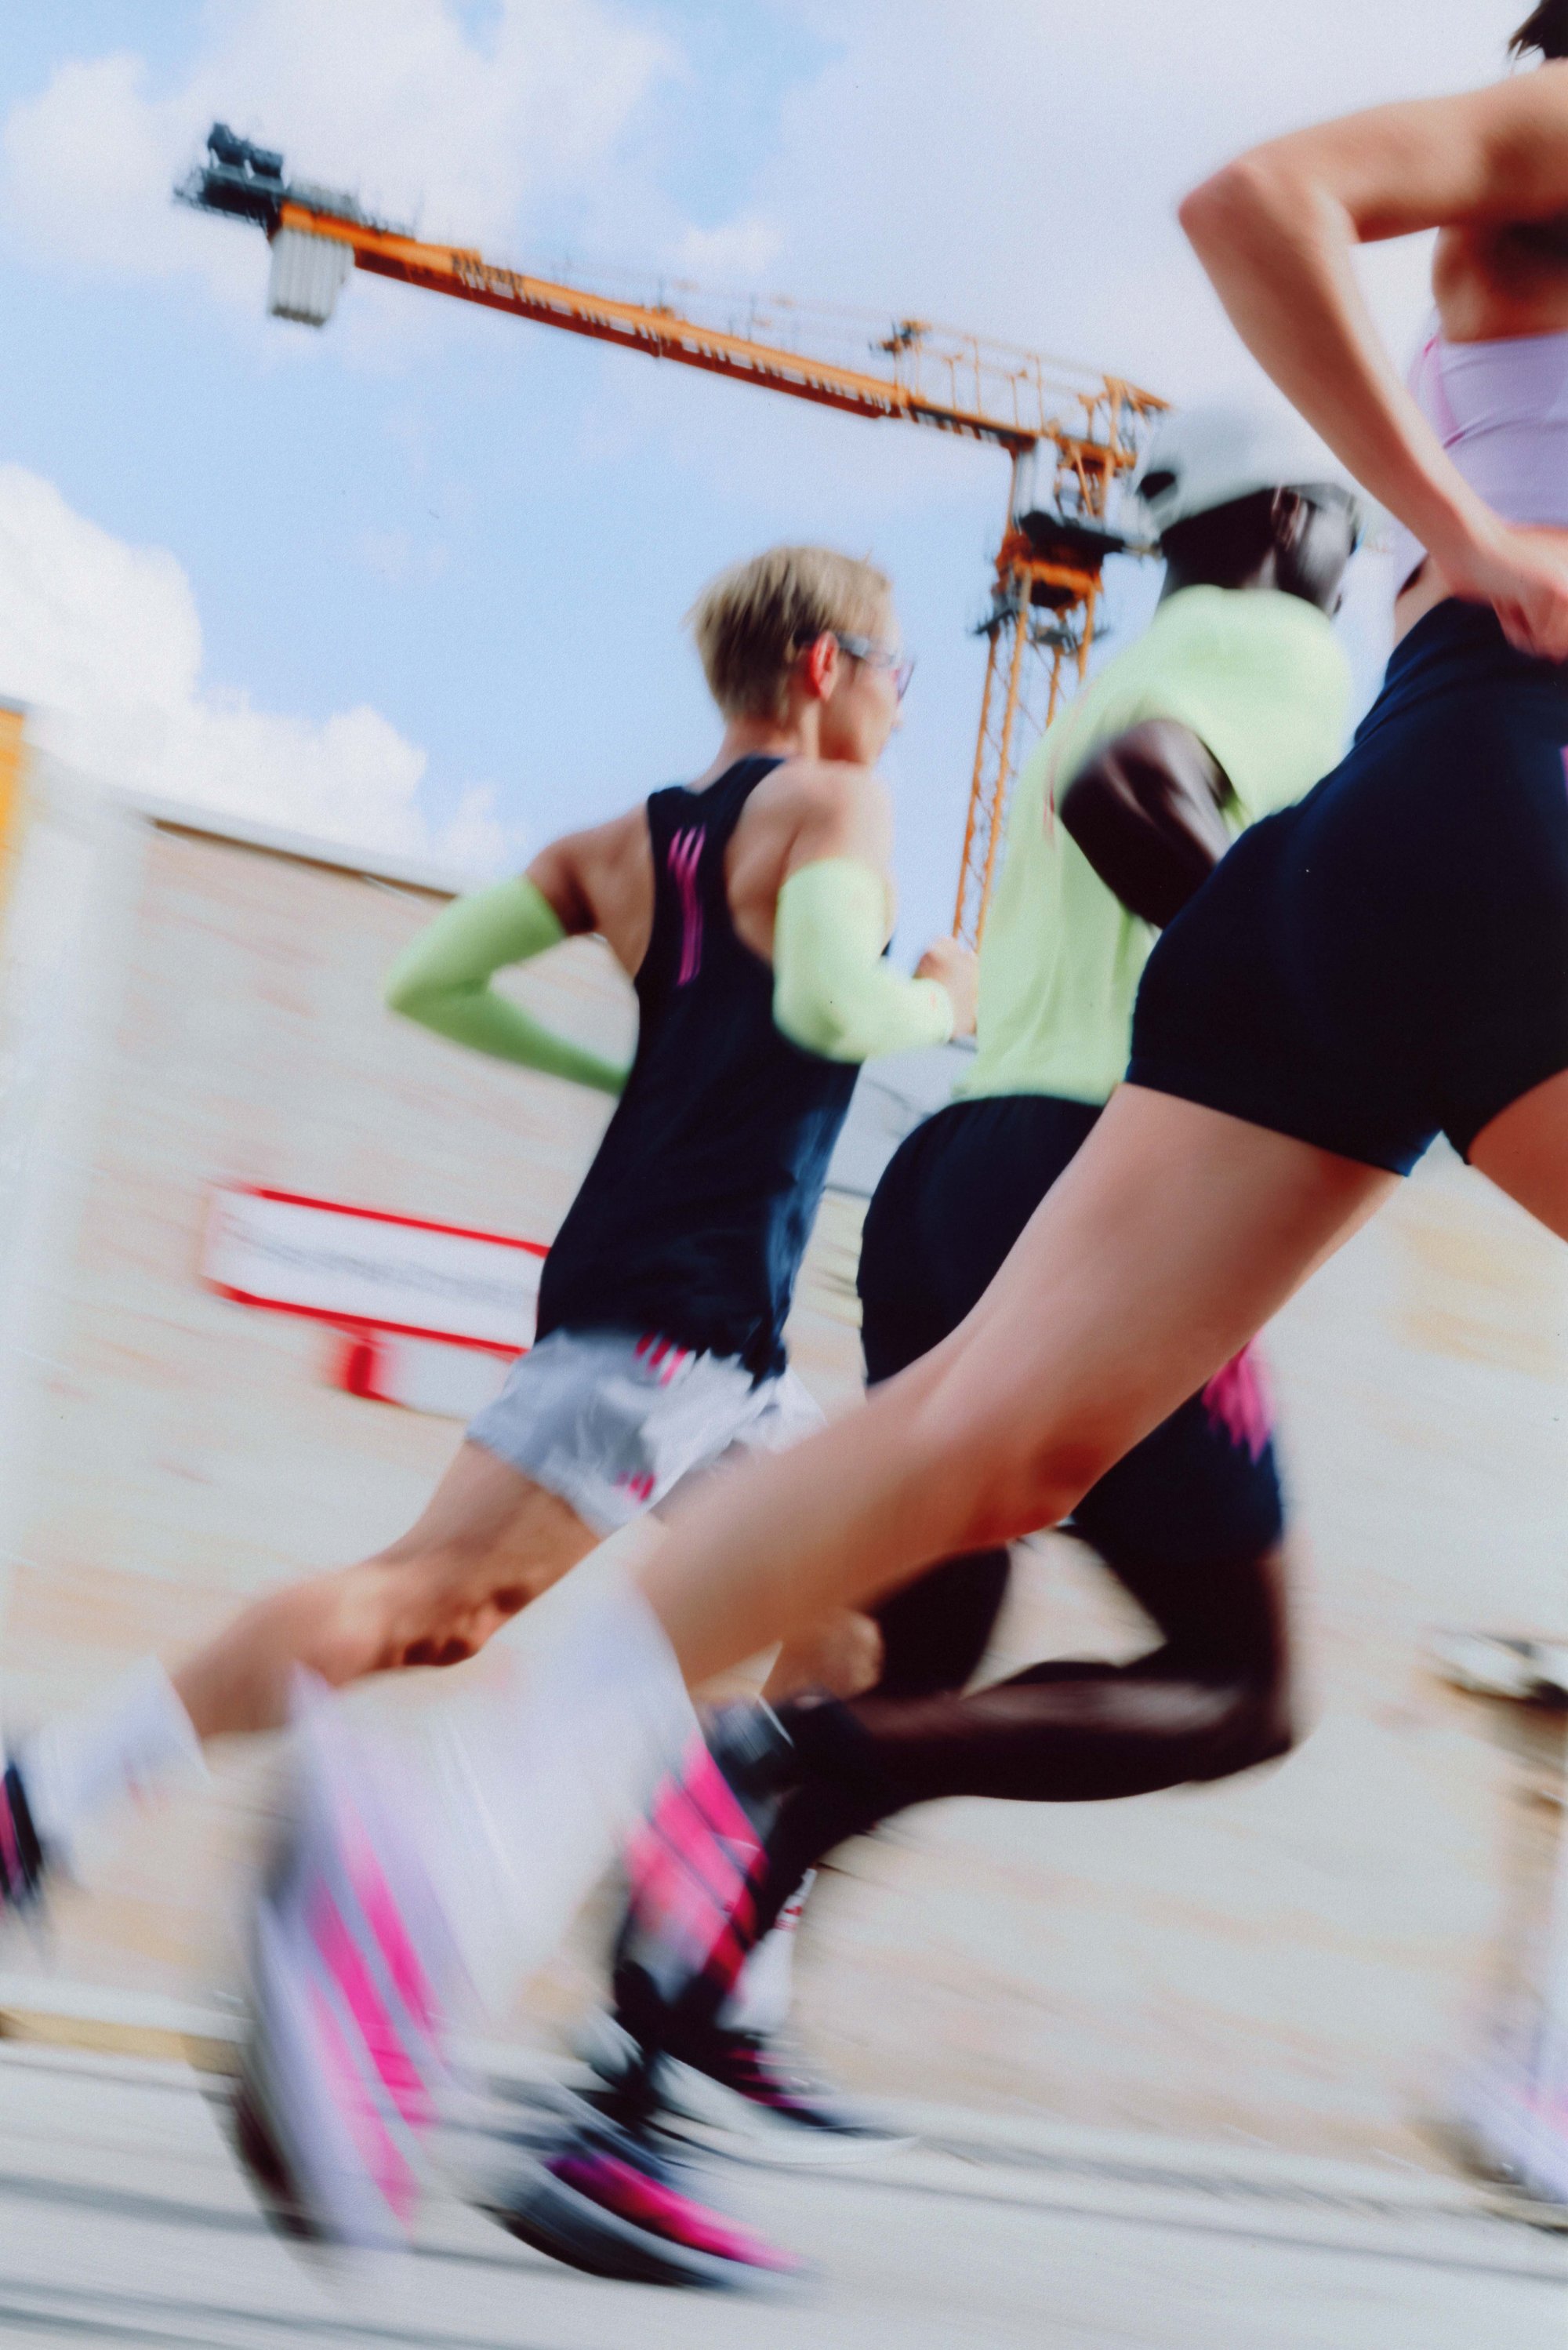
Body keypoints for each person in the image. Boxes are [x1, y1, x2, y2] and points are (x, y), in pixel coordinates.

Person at [236, 2, 1568, 2273]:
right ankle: (1535, 2057)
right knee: (1053, 1514)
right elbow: (1257, 197)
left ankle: (433, 1818)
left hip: (1374, 846)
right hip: (1502, 795)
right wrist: (1470, 533)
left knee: (980, 1444)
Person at [579, 403, 1362, 2191]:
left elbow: (1104, 777)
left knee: (925, 1655)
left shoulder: (1134, 653)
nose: (1357, 563)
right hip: (1114, 1192)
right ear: (1290, 520)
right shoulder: (1275, 643)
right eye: (1347, 527)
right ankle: (766, 1754)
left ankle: (634, 2074)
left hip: (959, 1178)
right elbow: (1133, 790)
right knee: (1242, 1685)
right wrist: (1303, 1016)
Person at [0, 539, 974, 1913]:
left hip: (721, 1335)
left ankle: (701, 1955)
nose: (900, 706)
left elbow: (433, 978)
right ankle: (47, 1790)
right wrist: (942, 999)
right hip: (678, 1314)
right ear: (827, 665)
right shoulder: (836, 801)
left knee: (848, 1614)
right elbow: (830, 1005)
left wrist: (616, 1068)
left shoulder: (613, 849)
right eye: (897, 672)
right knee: (436, 1602)